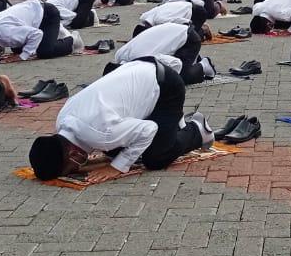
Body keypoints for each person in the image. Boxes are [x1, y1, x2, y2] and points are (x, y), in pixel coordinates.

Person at [28, 58, 215, 183]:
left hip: (166, 87)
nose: (78, 169)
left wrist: (116, 167)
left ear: (74, 154)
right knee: (117, 148)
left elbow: (148, 129)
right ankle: (173, 124)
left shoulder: (103, 134)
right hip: (139, 69)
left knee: (155, 158)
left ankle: (197, 130)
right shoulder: (63, 121)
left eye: (71, 169)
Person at [106, 23, 209, 84]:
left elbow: (176, 64)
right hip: (176, 32)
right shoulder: (120, 54)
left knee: (181, 78)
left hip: (189, 39)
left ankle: (204, 65)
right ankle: (194, 60)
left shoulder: (144, 58)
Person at [0, 0, 82, 60]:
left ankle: (72, 40)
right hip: (33, 13)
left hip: (47, 15)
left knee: (45, 52)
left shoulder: (6, 34)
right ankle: (52, 35)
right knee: (17, 49)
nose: (0, 55)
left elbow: (37, 34)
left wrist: (22, 57)